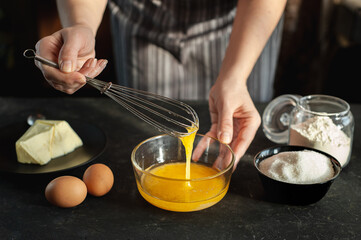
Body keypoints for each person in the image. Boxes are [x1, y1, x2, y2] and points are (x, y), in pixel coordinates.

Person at [34, 0, 287, 169]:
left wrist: (236, 75)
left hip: (243, 25)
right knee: (150, 138)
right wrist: (81, 23)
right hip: (143, 21)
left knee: (235, 126)